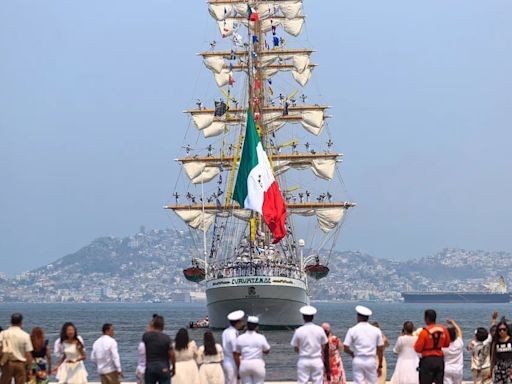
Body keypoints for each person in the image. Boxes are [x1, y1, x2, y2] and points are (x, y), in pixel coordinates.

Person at [343, 306, 384, 384]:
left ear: (358, 317)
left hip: (358, 359)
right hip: (371, 360)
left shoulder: (352, 330)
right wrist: (380, 365)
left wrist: (352, 353)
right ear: (368, 318)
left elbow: (345, 347)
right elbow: (380, 349)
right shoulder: (376, 330)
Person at [291, 305, 328, 384]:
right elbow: (324, 345)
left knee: (302, 381)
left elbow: (295, 347)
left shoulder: (299, 331)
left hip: (303, 359)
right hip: (317, 359)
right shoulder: (320, 330)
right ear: (313, 317)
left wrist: (302, 351)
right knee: (318, 381)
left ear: (303, 317)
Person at [414, 309, 451, 384]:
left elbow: (417, 348)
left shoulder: (424, 332)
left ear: (426, 319)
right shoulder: (444, 330)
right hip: (439, 360)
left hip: (427, 360)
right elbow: (447, 344)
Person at [0, 313, 34, 384]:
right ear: (21, 322)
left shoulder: (3, 333)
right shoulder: (25, 335)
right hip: (20, 364)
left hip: (7, 363)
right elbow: (28, 354)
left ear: (11, 321)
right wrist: (29, 368)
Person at [235, 316, 270, 384]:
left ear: (247, 325)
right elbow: (267, 350)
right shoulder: (260, 337)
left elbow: (237, 353)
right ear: (257, 326)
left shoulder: (240, 337)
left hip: (245, 363)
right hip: (257, 363)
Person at [142, 315, 176, 384]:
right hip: (163, 367)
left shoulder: (146, 336)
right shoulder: (166, 338)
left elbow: (147, 331)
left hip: (150, 367)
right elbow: (172, 354)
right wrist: (174, 367)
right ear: (163, 326)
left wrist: (151, 325)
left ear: (153, 325)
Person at [222, 310, 245, 384]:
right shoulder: (233, 333)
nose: (242, 323)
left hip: (226, 361)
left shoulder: (226, 331)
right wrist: (239, 368)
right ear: (238, 322)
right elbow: (235, 353)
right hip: (232, 363)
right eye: (241, 321)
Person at [490, 318, 512, 384]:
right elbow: (493, 357)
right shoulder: (495, 341)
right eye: (500, 330)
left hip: (510, 368)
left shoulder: (511, 340)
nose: (502, 331)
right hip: (498, 369)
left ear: (507, 330)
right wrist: (491, 370)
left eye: (504, 329)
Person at [443, 319, 463, 384]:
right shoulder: (459, 343)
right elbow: (459, 331)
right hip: (458, 369)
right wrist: (453, 322)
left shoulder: (443, 347)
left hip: (447, 368)